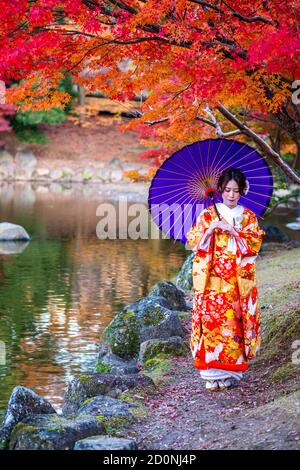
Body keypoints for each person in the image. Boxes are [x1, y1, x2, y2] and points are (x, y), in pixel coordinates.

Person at [185, 167, 265, 392]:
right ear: (220, 190)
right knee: (211, 321)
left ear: (241, 192)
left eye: (236, 191)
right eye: (227, 190)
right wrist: (210, 230)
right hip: (211, 277)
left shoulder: (247, 216)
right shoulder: (208, 214)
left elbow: (255, 244)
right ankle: (211, 374)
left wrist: (234, 231)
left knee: (234, 322)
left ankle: (230, 372)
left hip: (236, 277)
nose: (231, 195)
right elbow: (194, 242)